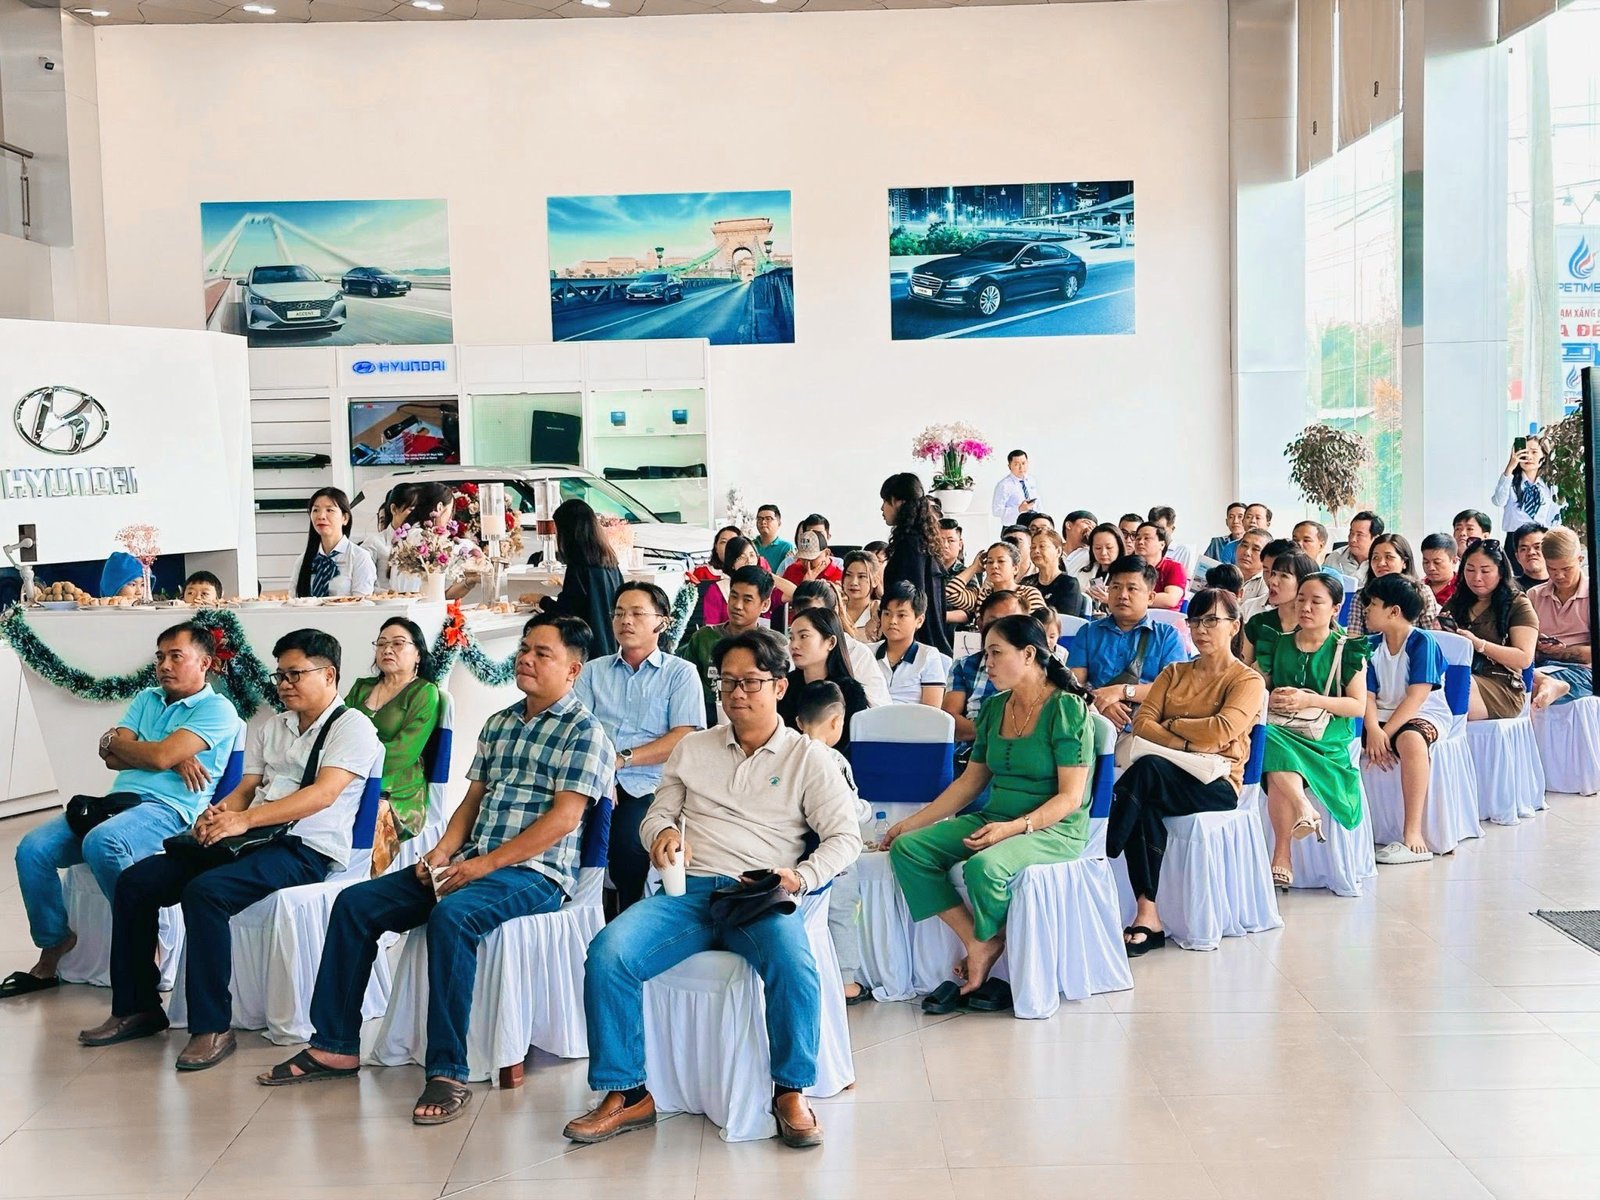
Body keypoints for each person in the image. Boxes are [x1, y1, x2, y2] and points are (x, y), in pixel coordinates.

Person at [259, 614, 612, 1124]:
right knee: (356, 904)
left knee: (453, 916)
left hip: (535, 874)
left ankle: (448, 1071)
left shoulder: (585, 732)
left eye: (543, 654)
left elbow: (564, 820)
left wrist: (484, 865)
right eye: (525, 649)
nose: (526, 659)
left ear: (573, 670)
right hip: (474, 862)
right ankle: (334, 1045)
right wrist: (441, 855)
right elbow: (471, 803)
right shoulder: (500, 723)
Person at [567, 629, 860, 1150]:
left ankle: (790, 1090)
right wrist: (662, 834)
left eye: (750, 682)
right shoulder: (692, 748)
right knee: (609, 953)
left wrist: (801, 876)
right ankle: (627, 1092)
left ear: (780, 686)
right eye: (727, 682)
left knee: (795, 966)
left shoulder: (807, 758)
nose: (736, 693)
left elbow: (845, 838)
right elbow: (657, 813)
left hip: (760, 895)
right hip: (690, 891)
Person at [80, 629, 382, 1069]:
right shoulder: (273, 726)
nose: (284, 684)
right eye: (280, 675)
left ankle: (212, 1027)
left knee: (207, 892)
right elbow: (246, 788)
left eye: (295, 674)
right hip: (251, 838)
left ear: (329, 674)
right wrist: (219, 815)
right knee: (135, 882)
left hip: (305, 847)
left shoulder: (353, 727)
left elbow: (322, 795)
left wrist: (243, 821)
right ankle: (137, 1007)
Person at [4, 623, 237, 1000]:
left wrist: (142, 748)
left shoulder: (218, 709)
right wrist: (163, 754)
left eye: (176, 656)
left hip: (170, 810)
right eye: (160, 657)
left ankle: (142, 941)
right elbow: (112, 758)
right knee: (32, 850)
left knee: (102, 843)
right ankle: (55, 941)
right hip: (116, 803)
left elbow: (147, 754)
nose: (164, 665)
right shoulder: (147, 698)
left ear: (205, 663)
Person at [883, 616, 1094, 1009]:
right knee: (909, 850)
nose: (988, 664)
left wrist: (1012, 828)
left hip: (1054, 828)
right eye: (986, 655)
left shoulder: (1067, 709)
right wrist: (908, 825)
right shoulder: (995, 708)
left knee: (984, 867)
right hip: (996, 817)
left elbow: (1070, 798)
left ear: (1028, 654)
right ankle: (980, 941)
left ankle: (992, 950)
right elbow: (969, 783)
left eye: (996, 653)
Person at [1107, 589, 1266, 955]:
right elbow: (1142, 723)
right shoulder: (1174, 672)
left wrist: (1172, 726)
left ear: (1234, 626)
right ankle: (1148, 917)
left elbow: (1222, 731)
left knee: (1146, 771)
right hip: (1166, 776)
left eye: (1212, 621)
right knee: (1145, 801)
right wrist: (1190, 741)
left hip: (1217, 781)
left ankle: (1107, 845)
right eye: (1195, 621)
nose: (1201, 630)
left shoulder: (1247, 680)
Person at [575, 582, 706, 913]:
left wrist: (621, 761)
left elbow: (683, 737)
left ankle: (629, 915)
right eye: (619, 613)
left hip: (648, 783)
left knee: (629, 843)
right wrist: (604, 770)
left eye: (636, 613)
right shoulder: (593, 671)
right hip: (594, 777)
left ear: (662, 622)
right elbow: (580, 729)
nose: (625, 621)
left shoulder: (680, 673)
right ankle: (575, 916)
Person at [1255, 572, 1369, 890]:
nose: (1305, 607)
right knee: (1270, 740)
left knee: (1272, 747)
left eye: (1316, 602)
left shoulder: (1347, 649)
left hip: (1326, 732)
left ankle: (1283, 853)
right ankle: (1301, 812)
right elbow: (1255, 687)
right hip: (1282, 725)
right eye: (1301, 599)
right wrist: (1271, 696)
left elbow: (1357, 706)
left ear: (1335, 608)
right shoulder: (1277, 643)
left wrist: (1311, 699)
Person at [1360, 574, 1453, 866]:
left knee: (1412, 741)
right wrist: (1373, 728)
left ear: (1394, 611)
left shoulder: (1423, 642)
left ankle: (1412, 833)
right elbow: (1367, 695)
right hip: (1379, 715)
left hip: (1423, 713)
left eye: (1373, 604)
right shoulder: (1369, 645)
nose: (1366, 610)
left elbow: (1416, 697)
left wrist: (1385, 733)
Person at [794, 681, 871, 1006]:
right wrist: (867, 809)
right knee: (842, 913)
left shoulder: (788, 754)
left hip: (796, 856)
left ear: (798, 721)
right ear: (838, 721)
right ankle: (845, 981)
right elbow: (849, 808)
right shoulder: (834, 760)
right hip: (833, 855)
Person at [344, 618, 442, 867]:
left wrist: (350, 768)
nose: (387, 649)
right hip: (348, 772)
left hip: (396, 786)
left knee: (367, 811)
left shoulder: (424, 692)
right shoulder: (361, 688)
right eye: (381, 644)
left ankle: (358, 878)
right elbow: (339, 731)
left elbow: (403, 752)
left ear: (418, 654)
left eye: (398, 644)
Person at [1068, 556, 1190, 733]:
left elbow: (1174, 691)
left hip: (1144, 728)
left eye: (1132, 588)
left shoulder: (1168, 637)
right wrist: (1099, 704)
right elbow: (1074, 684)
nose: (1122, 595)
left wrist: (1122, 692)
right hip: (1092, 721)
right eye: (1116, 587)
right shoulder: (1088, 632)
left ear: (1150, 597)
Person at [1445, 539, 1539, 720]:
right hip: (1463, 674)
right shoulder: (1457, 601)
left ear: (1501, 572)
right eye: (1470, 570)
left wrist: (1479, 644)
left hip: (1502, 685)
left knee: (1455, 684)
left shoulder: (1517, 603)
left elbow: (1523, 658)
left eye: (1485, 571)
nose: (1476, 577)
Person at [677, 565, 772, 724]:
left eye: (747, 600)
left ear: (765, 605)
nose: (737, 605)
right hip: (706, 719)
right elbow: (686, 689)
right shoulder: (703, 638)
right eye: (733, 596)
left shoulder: (773, 644)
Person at [944, 590, 1029, 762]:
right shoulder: (964, 666)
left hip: (1022, 754)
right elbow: (950, 719)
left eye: (1011, 622)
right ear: (980, 624)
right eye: (993, 622)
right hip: (971, 753)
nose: (1001, 630)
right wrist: (995, 733)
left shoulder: (1038, 668)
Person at [778, 607, 872, 759]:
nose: (794, 645)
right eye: (791, 637)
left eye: (803, 636)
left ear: (830, 642)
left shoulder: (850, 692)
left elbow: (849, 748)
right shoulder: (785, 685)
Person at [880, 472, 953, 655]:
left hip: (916, 643)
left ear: (898, 502)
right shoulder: (924, 541)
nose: (882, 508)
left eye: (886, 501)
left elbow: (910, 598)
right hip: (929, 638)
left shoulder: (910, 544)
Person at [542, 498, 624, 656]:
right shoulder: (610, 561)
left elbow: (567, 612)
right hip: (610, 645)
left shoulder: (578, 566)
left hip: (588, 648)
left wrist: (541, 600)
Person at [791, 580, 892, 708]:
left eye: (816, 615)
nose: (806, 622)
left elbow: (880, 709)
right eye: (799, 615)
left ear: (834, 611)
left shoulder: (857, 654)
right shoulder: (788, 654)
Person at [1528, 528, 1592, 704]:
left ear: (1580, 560)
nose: (1559, 575)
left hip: (1583, 671)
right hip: (1539, 668)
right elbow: (1524, 647)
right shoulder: (1534, 595)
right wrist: (1537, 647)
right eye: (1552, 568)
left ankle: (1549, 684)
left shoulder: (1594, 594)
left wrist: (1560, 652)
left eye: (1566, 568)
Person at [389, 482, 484, 600]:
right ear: (439, 507)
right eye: (450, 512)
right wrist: (471, 547)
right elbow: (452, 552)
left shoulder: (411, 533)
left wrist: (470, 580)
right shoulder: (420, 536)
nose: (450, 520)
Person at [1345, 533, 1445, 637]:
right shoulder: (1361, 596)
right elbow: (1354, 639)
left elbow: (1431, 636)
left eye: (1389, 557)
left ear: (1404, 562)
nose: (1381, 563)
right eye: (1375, 557)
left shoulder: (1421, 592)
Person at [873, 582, 949, 706]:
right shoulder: (867, 653)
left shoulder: (928, 656)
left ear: (919, 621)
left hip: (913, 718)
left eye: (901, 615)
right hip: (871, 717)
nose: (892, 621)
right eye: (887, 614)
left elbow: (932, 711)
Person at [293, 487, 376, 599]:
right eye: (315, 510)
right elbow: (294, 599)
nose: (321, 516)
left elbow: (362, 603)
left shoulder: (359, 557)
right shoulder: (303, 560)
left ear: (345, 518)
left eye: (329, 510)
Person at [1242, 550, 1321, 667]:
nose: (1272, 581)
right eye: (1273, 574)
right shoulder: (1258, 623)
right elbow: (1243, 668)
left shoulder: (1316, 628)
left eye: (1284, 576)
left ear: (1304, 584)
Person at [946, 541, 1046, 624]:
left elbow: (1040, 625)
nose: (994, 566)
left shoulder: (1028, 593)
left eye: (1001, 561)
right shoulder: (981, 595)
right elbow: (950, 593)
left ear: (1015, 568)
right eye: (990, 562)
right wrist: (974, 567)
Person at [1493, 434, 1562, 535]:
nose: (1528, 457)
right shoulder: (1509, 481)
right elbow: (1498, 501)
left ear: (1544, 456)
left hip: (1541, 537)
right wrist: (1510, 467)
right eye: (1524, 452)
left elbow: (1554, 518)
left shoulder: (1549, 485)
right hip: (1514, 537)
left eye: (1534, 452)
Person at [360, 483, 417, 590]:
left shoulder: (421, 543)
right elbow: (361, 582)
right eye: (411, 510)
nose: (416, 515)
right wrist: (386, 595)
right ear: (394, 509)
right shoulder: (374, 543)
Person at [1029, 527, 1084, 617]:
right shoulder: (1027, 582)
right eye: (1033, 547)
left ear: (1058, 551)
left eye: (1042, 546)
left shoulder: (1068, 584)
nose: (1036, 551)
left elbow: (1067, 620)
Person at [1132, 521, 1186, 609]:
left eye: (1147, 538)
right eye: (1138, 538)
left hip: (1164, 616)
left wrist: (1131, 598)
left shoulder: (1174, 567)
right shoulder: (1130, 566)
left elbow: (1170, 599)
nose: (1140, 542)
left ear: (1162, 545)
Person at [1076, 522, 1126, 615]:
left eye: (1109, 547)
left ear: (1119, 546)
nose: (1103, 553)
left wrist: (1110, 600)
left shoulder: (1129, 573)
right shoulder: (1084, 570)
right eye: (1098, 548)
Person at [1325, 511, 1382, 583]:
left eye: (1359, 535)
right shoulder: (1334, 558)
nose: (1353, 539)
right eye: (1351, 533)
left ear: (1375, 538)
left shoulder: (1382, 562)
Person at [839, 550, 882, 643]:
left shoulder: (879, 612)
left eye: (861, 576)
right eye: (848, 575)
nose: (853, 582)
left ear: (875, 581)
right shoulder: (835, 608)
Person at [990, 449, 1039, 525]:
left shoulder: (1031, 480)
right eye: (1016, 464)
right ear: (1009, 466)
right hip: (1013, 527)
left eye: (1023, 463)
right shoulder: (1004, 485)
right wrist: (1019, 509)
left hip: (1032, 525)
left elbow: (1038, 503)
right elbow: (996, 511)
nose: (1021, 467)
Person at [1147, 506, 1196, 576]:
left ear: (1172, 529)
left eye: (1161, 529)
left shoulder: (1183, 551)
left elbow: (1186, 579)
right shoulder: (1145, 547)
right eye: (1153, 528)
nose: (1156, 533)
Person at [1236, 528, 1272, 617]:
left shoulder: (1268, 583)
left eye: (1256, 549)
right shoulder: (1224, 574)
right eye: (1244, 545)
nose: (1247, 552)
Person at [1420, 533, 1459, 606]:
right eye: (1426, 562)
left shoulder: (1462, 588)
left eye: (1437, 562)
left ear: (1454, 561)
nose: (1431, 568)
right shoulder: (1418, 588)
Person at [754, 503, 793, 573]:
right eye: (759, 519)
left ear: (779, 523)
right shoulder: (750, 545)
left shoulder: (786, 547)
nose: (763, 522)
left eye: (768, 519)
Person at [1513, 523, 1550, 591]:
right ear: (1517, 557)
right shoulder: (1510, 588)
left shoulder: (1561, 585)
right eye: (1524, 549)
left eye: (1537, 547)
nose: (1531, 552)